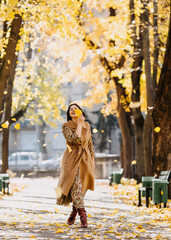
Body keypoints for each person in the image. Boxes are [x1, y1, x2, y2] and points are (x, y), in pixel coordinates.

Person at [56, 103, 95, 228]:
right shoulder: (66, 126)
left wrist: (92, 160)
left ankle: (74, 211)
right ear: (68, 114)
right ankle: (83, 217)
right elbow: (74, 140)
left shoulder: (87, 125)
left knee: (82, 187)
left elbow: (89, 144)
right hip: (72, 158)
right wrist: (78, 124)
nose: (73, 110)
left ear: (80, 111)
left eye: (75, 108)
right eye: (70, 109)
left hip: (85, 158)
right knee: (76, 184)